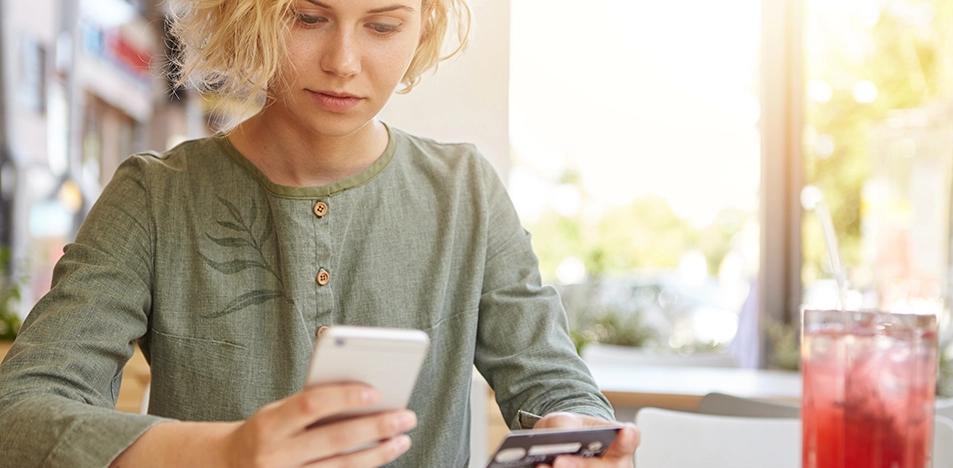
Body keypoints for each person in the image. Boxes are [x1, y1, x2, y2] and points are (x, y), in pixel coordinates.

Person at [0, 0, 640, 466]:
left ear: (423, 27)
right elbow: (20, 414)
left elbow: (556, 383)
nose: (343, 61)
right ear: (245, 14)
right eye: (306, 18)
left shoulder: (466, 192)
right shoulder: (156, 195)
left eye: (383, 25)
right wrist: (228, 452)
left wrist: (579, 432)